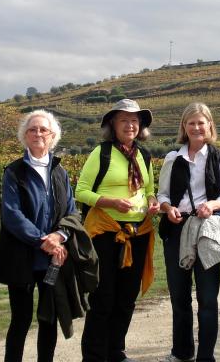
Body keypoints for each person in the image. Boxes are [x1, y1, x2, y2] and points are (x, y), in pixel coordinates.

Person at [76, 99, 160, 362]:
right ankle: (94, 356)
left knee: (126, 298)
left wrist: (152, 202)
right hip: (105, 234)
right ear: (113, 124)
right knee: (104, 298)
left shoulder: (143, 155)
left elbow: (149, 190)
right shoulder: (101, 154)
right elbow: (81, 191)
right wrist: (110, 202)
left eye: (135, 121)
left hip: (138, 233)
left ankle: (115, 352)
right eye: (124, 120)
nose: (131, 125)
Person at [0, 110, 78, 362]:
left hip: (53, 258)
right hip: (21, 256)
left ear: (53, 136)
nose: (38, 133)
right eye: (32, 129)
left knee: (48, 317)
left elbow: (72, 211)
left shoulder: (60, 172)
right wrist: (43, 240)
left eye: (43, 129)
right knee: (20, 320)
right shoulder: (14, 171)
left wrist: (60, 236)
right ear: (24, 136)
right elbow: (12, 214)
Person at [156, 102, 220, 362]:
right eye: (192, 123)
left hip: (206, 231)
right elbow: (163, 195)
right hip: (177, 229)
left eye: (201, 122)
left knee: (208, 298)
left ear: (210, 125)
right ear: (184, 127)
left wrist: (211, 205)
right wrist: (168, 209)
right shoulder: (172, 158)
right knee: (179, 297)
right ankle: (182, 352)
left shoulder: (219, 157)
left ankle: (206, 357)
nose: (197, 127)